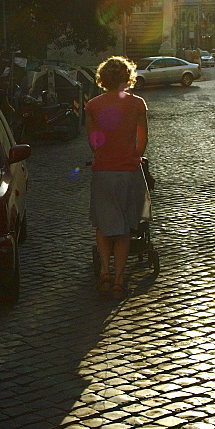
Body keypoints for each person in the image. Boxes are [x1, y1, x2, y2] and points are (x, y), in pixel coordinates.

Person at [86, 56, 148, 299]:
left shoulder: (93, 105)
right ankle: (120, 280)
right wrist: (135, 157)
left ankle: (104, 271)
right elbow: (143, 138)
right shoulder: (137, 104)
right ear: (127, 77)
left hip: (103, 171)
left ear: (103, 78)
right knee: (123, 228)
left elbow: (93, 142)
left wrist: (103, 156)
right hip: (127, 171)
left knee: (103, 224)